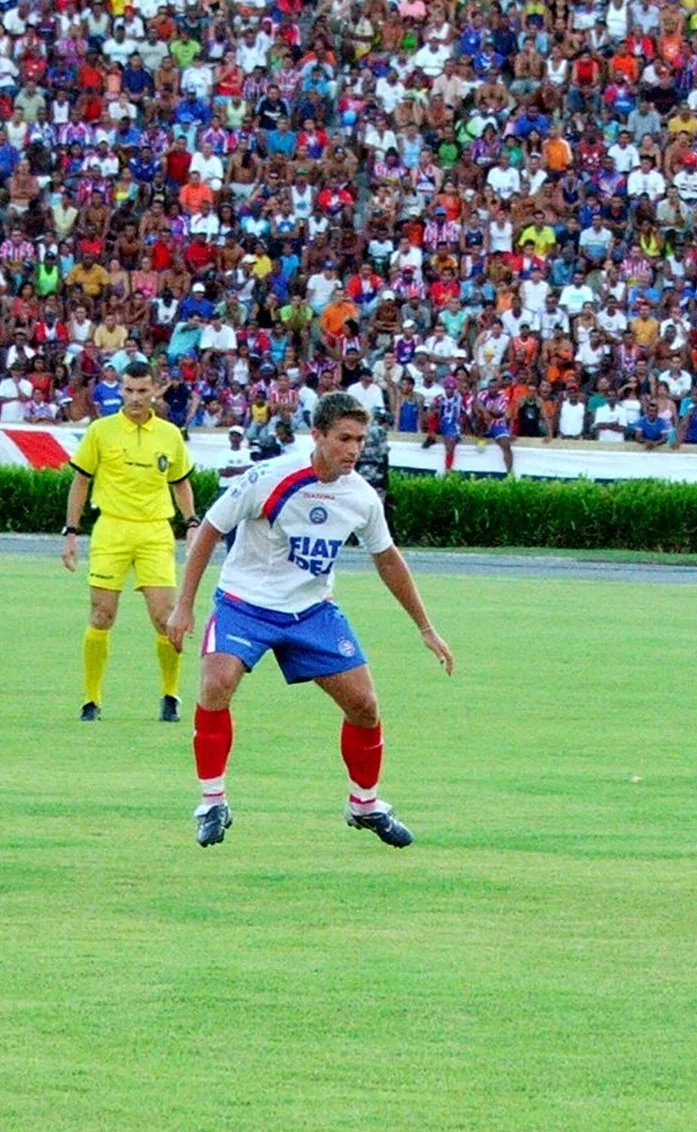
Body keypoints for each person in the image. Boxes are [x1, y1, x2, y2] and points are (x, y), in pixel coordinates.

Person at [166, 392, 454, 849]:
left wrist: (425, 627)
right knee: (215, 683)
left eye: (360, 439)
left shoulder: (360, 496)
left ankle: (364, 804)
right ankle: (212, 801)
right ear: (317, 435)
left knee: (364, 704)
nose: (354, 449)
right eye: (344, 438)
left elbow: (388, 559)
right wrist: (184, 606)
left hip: (311, 611)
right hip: (246, 604)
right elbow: (209, 531)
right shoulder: (270, 478)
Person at [62, 359, 200, 722]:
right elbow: (81, 481)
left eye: (142, 391)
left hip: (155, 531)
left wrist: (192, 522)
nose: (135, 398)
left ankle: (170, 695)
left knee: (164, 618)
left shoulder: (169, 434)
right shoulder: (101, 431)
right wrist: (71, 532)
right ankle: (91, 700)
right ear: (120, 390)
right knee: (102, 614)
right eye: (129, 390)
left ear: (155, 391)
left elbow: (180, 482)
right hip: (112, 529)